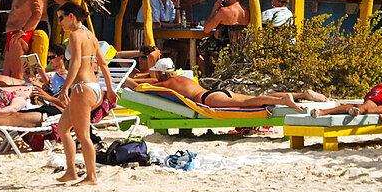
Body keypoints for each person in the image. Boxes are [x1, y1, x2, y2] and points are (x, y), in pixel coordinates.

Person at [56, 2, 117, 185]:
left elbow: (74, 64)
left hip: (82, 89)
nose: (60, 23)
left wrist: (65, 87)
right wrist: (110, 89)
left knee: (83, 136)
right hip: (95, 89)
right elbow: (103, 64)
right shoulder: (91, 36)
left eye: (61, 18)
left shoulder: (75, 35)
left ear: (71, 16)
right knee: (62, 129)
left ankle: (91, 177)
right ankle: (71, 171)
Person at [138, 58, 325, 108]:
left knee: (249, 102)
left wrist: (128, 80)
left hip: (209, 99)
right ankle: (302, 94)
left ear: (162, 74)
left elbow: (144, 87)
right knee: (255, 97)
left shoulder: (168, 84)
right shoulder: (184, 77)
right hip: (218, 91)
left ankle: (284, 100)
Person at [196, 0, 249, 76]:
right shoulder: (246, 11)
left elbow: (206, 29)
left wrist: (213, 11)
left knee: (198, 47)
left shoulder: (224, 11)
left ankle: (206, 76)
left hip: (222, 48)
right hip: (239, 49)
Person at [3, 0, 45, 80]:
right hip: (13, 35)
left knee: (17, 76)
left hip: (20, 36)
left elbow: (37, 14)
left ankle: (23, 96)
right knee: (6, 75)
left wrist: (22, 31)